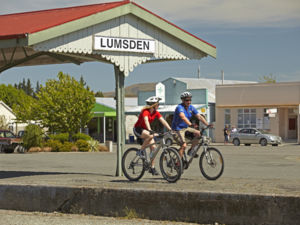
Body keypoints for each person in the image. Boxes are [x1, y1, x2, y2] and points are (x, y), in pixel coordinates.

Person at [133, 96, 172, 175]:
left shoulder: (156, 113)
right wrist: (150, 130)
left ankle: (152, 167)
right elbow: (146, 121)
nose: (158, 106)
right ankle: (140, 151)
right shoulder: (145, 112)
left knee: (153, 150)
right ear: (153, 105)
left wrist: (170, 129)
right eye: (158, 104)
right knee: (150, 135)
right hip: (138, 129)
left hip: (146, 130)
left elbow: (163, 121)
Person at [172, 91, 211, 159]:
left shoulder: (191, 107)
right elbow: (183, 117)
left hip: (186, 128)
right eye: (187, 100)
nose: (189, 102)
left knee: (198, 133)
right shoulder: (179, 107)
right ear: (183, 100)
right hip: (177, 129)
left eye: (190, 100)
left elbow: (199, 116)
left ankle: (191, 151)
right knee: (184, 146)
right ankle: (178, 163)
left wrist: (208, 124)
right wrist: (190, 124)